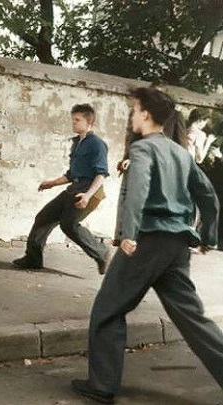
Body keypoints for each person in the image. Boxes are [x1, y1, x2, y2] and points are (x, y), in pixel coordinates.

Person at [72, 87, 223, 404]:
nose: (132, 115)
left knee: (107, 310)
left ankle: (102, 385)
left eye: (135, 109)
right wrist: (209, 236)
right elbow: (209, 196)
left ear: (145, 114)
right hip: (177, 246)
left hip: (147, 242)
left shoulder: (143, 149)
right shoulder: (181, 153)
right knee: (194, 319)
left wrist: (129, 233)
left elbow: (139, 189)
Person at [12, 104, 110, 274]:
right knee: (43, 218)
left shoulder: (97, 144)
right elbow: (71, 175)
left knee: (69, 224)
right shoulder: (77, 143)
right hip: (74, 189)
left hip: (89, 192)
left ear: (89, 122)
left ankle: (102, 253)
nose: (73, 123)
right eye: (73, 119)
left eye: (77, 120)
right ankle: (32, 259)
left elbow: (101, 174)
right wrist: (52, 183)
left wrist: (87, 196)